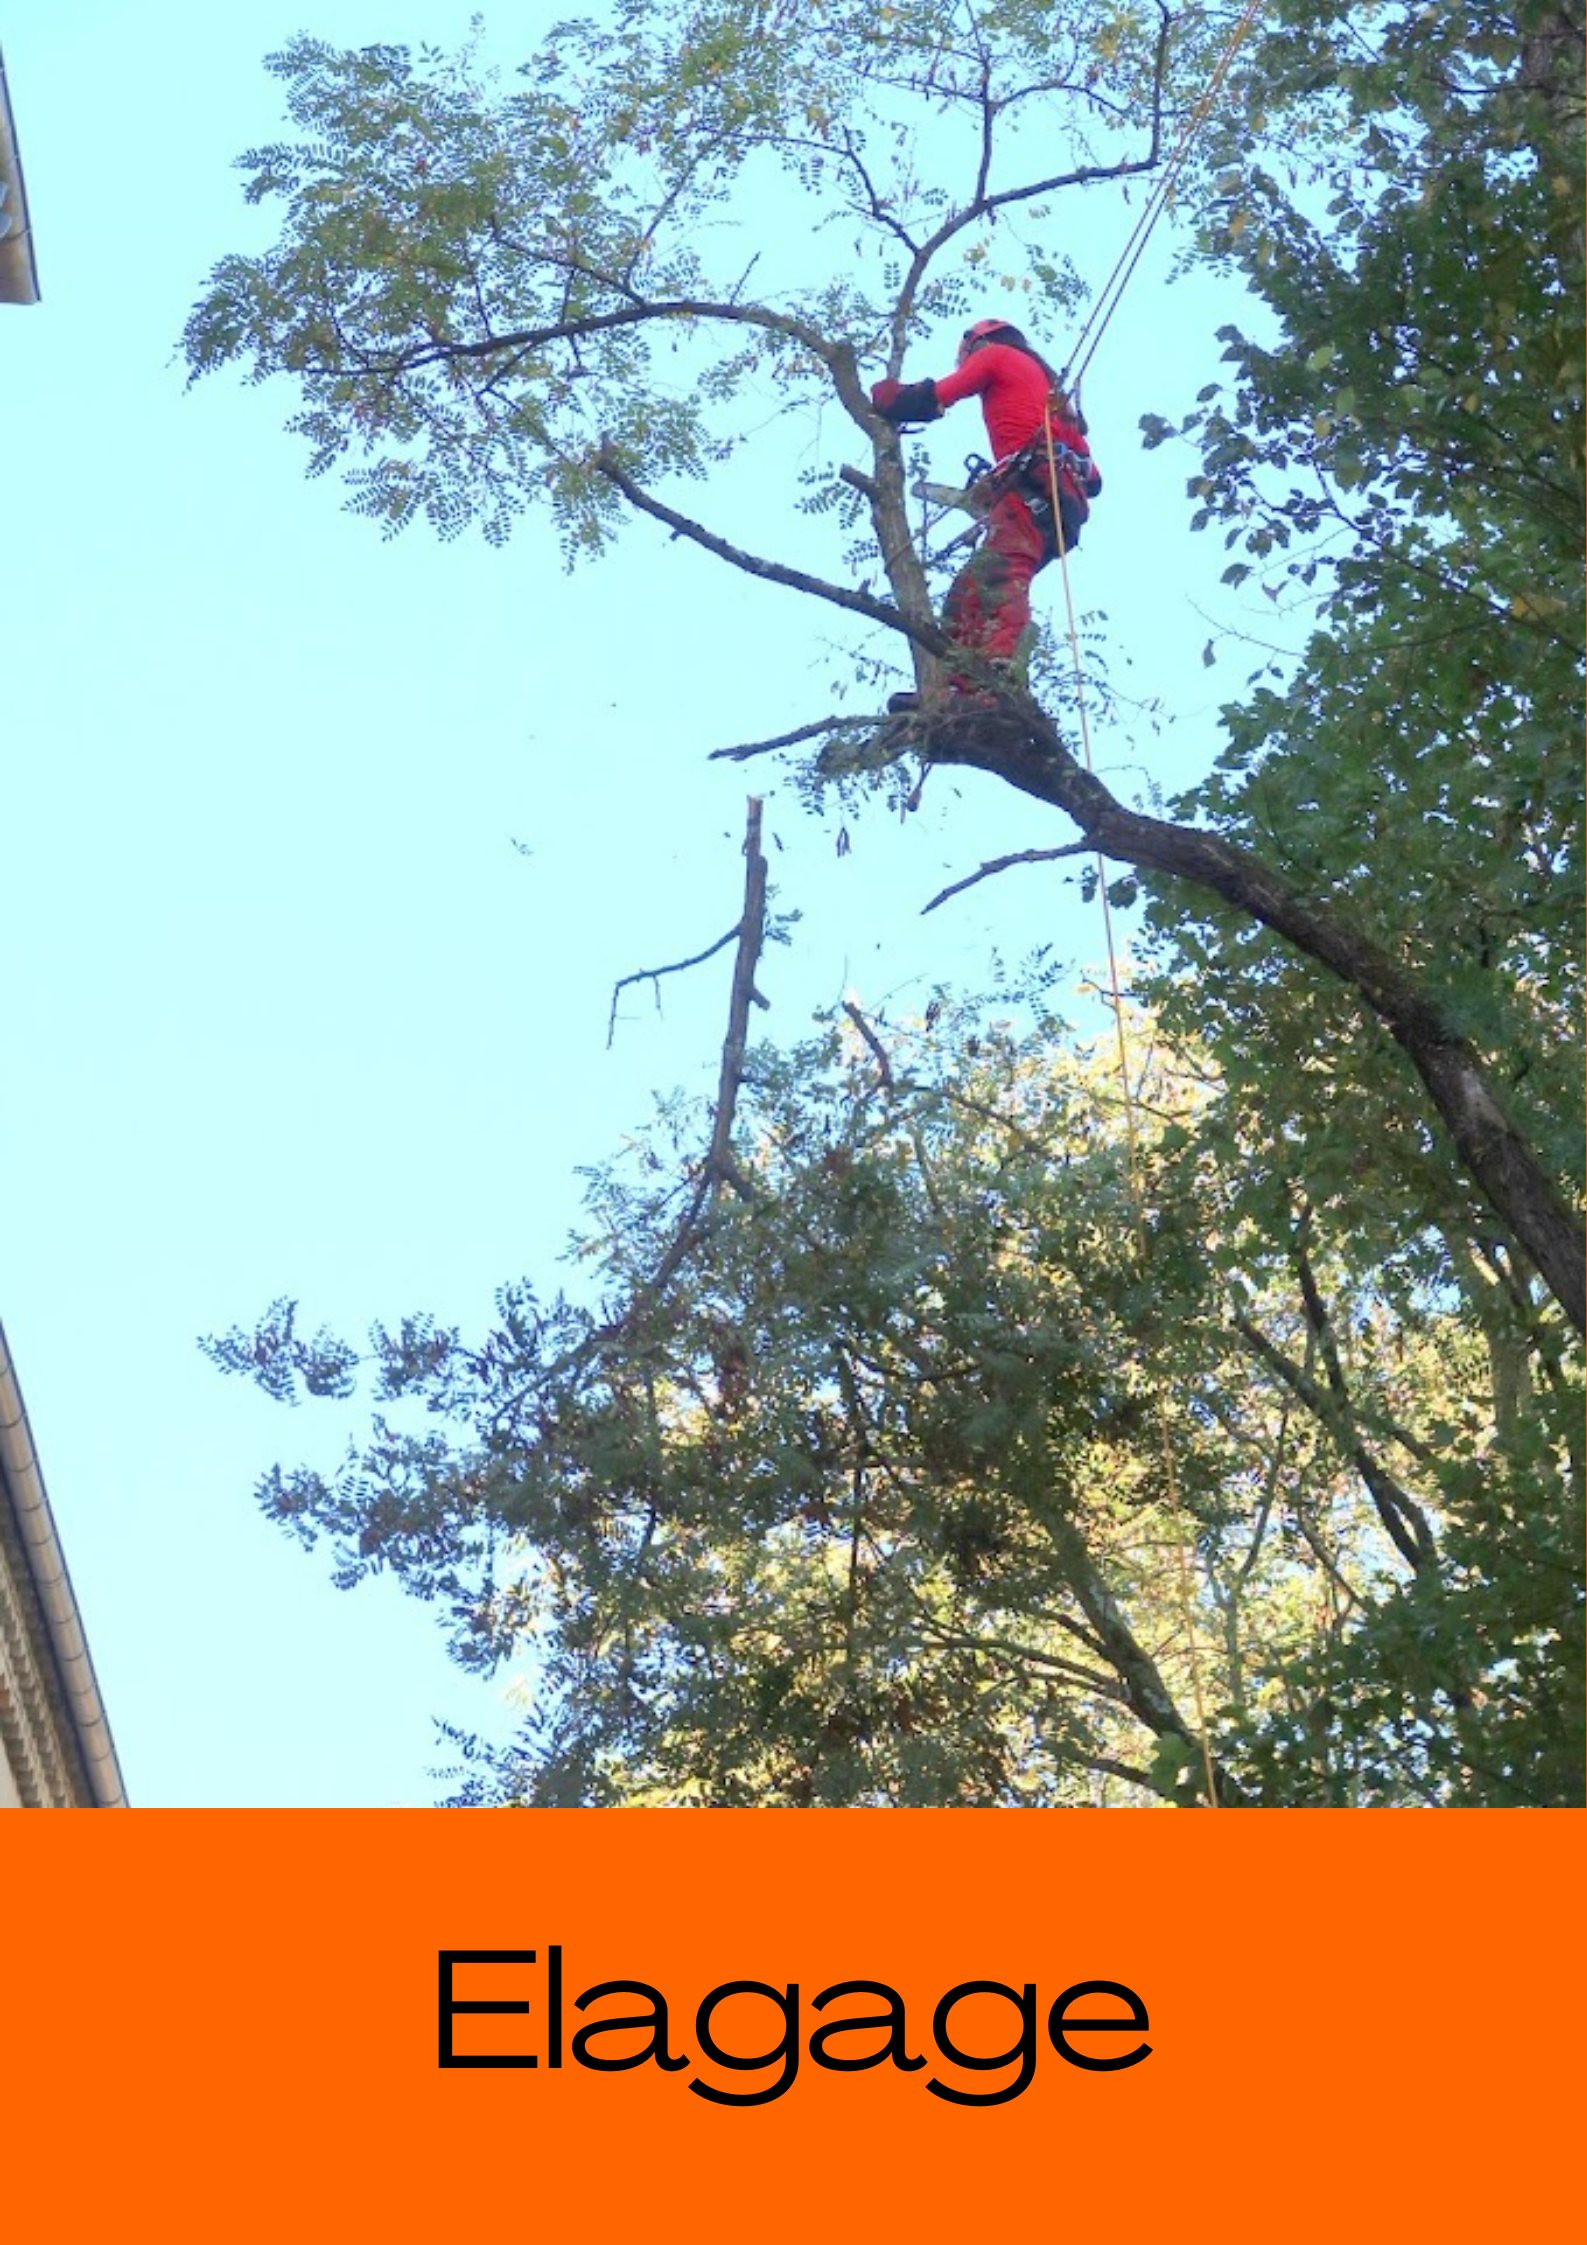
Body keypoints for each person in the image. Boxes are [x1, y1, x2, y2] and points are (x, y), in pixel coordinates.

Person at [869, 319, 1101, 711]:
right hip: (1060, 505)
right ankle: (956, 688)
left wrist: (889, 399)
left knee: (998, 577)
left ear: (976, 343)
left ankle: (997, 677)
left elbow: (938, 396)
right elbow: (1094, 478)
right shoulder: (1053, 397)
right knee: (968, 592)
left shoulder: (995, 356)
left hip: (1032, 492)